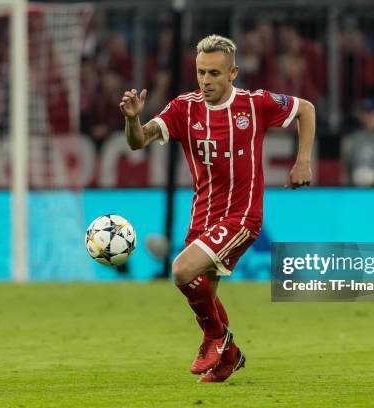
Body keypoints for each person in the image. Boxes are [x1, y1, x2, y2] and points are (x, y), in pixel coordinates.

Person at [119, 34, 315, 383]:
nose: (206, 81)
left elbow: (306, 109)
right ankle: (230, 357)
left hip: (241, 217)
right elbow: (138, 142)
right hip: (202, 218)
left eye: (214, 73)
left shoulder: (255, 105)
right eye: (200, 73)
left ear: (233, 73)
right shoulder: (184, 108)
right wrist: (133, 119)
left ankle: (216, 339)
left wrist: (303, 161)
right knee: (204, 293)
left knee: (180, 271)